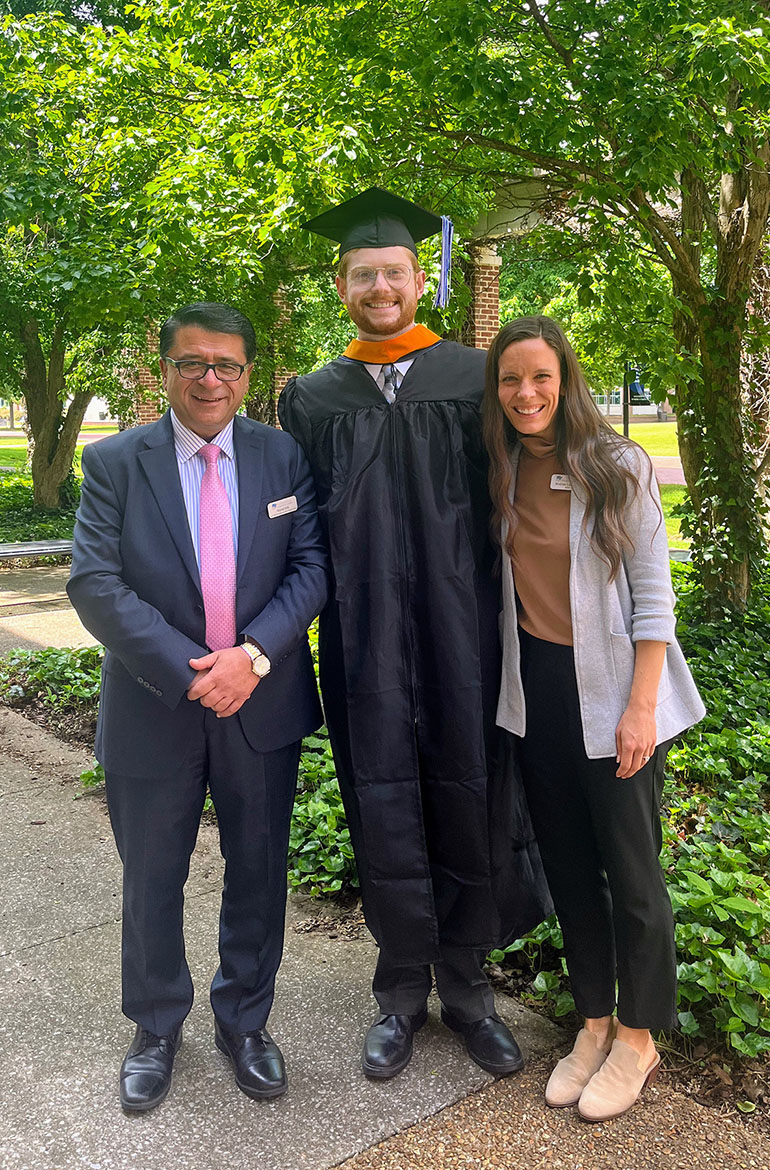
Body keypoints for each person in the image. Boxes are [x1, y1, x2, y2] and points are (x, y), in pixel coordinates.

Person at [278, 189, 551, 1081]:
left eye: (394, 272)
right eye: (365, 275)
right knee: (382, 794)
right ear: (343, 282)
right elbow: (304, 527)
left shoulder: (474, 377)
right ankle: (399, 989)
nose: (380, 288)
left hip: (465, 629)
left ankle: (468, 987)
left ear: (419, 278)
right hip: (361, 637)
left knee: (470, 792)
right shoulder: (314, 396)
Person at [67, 302, 328, 1112]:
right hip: (155, 707)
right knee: (151, 877)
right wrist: (195, 673)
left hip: (262, 701)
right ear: (166, 370)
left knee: (258, 871)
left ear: (249, 376)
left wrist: (250, 657)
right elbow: (94, 584)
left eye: (227, 366)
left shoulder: (283, 455)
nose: (210, 379)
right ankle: (154, 1026)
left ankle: (245, 1021)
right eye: (192, 364)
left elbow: (312, 567)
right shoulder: (115, 462)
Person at [483, 316, 705, 1122]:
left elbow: (655, 600)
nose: (526, 393)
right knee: (570, 871)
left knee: (633, 877)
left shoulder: (618, 467)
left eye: (540, 376)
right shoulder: (503, 468)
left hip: (616, 692)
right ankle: (594, 1023)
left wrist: (641, 708)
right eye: (510, 380)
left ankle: (640, 1037)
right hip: (537, 692)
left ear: (565, 377)